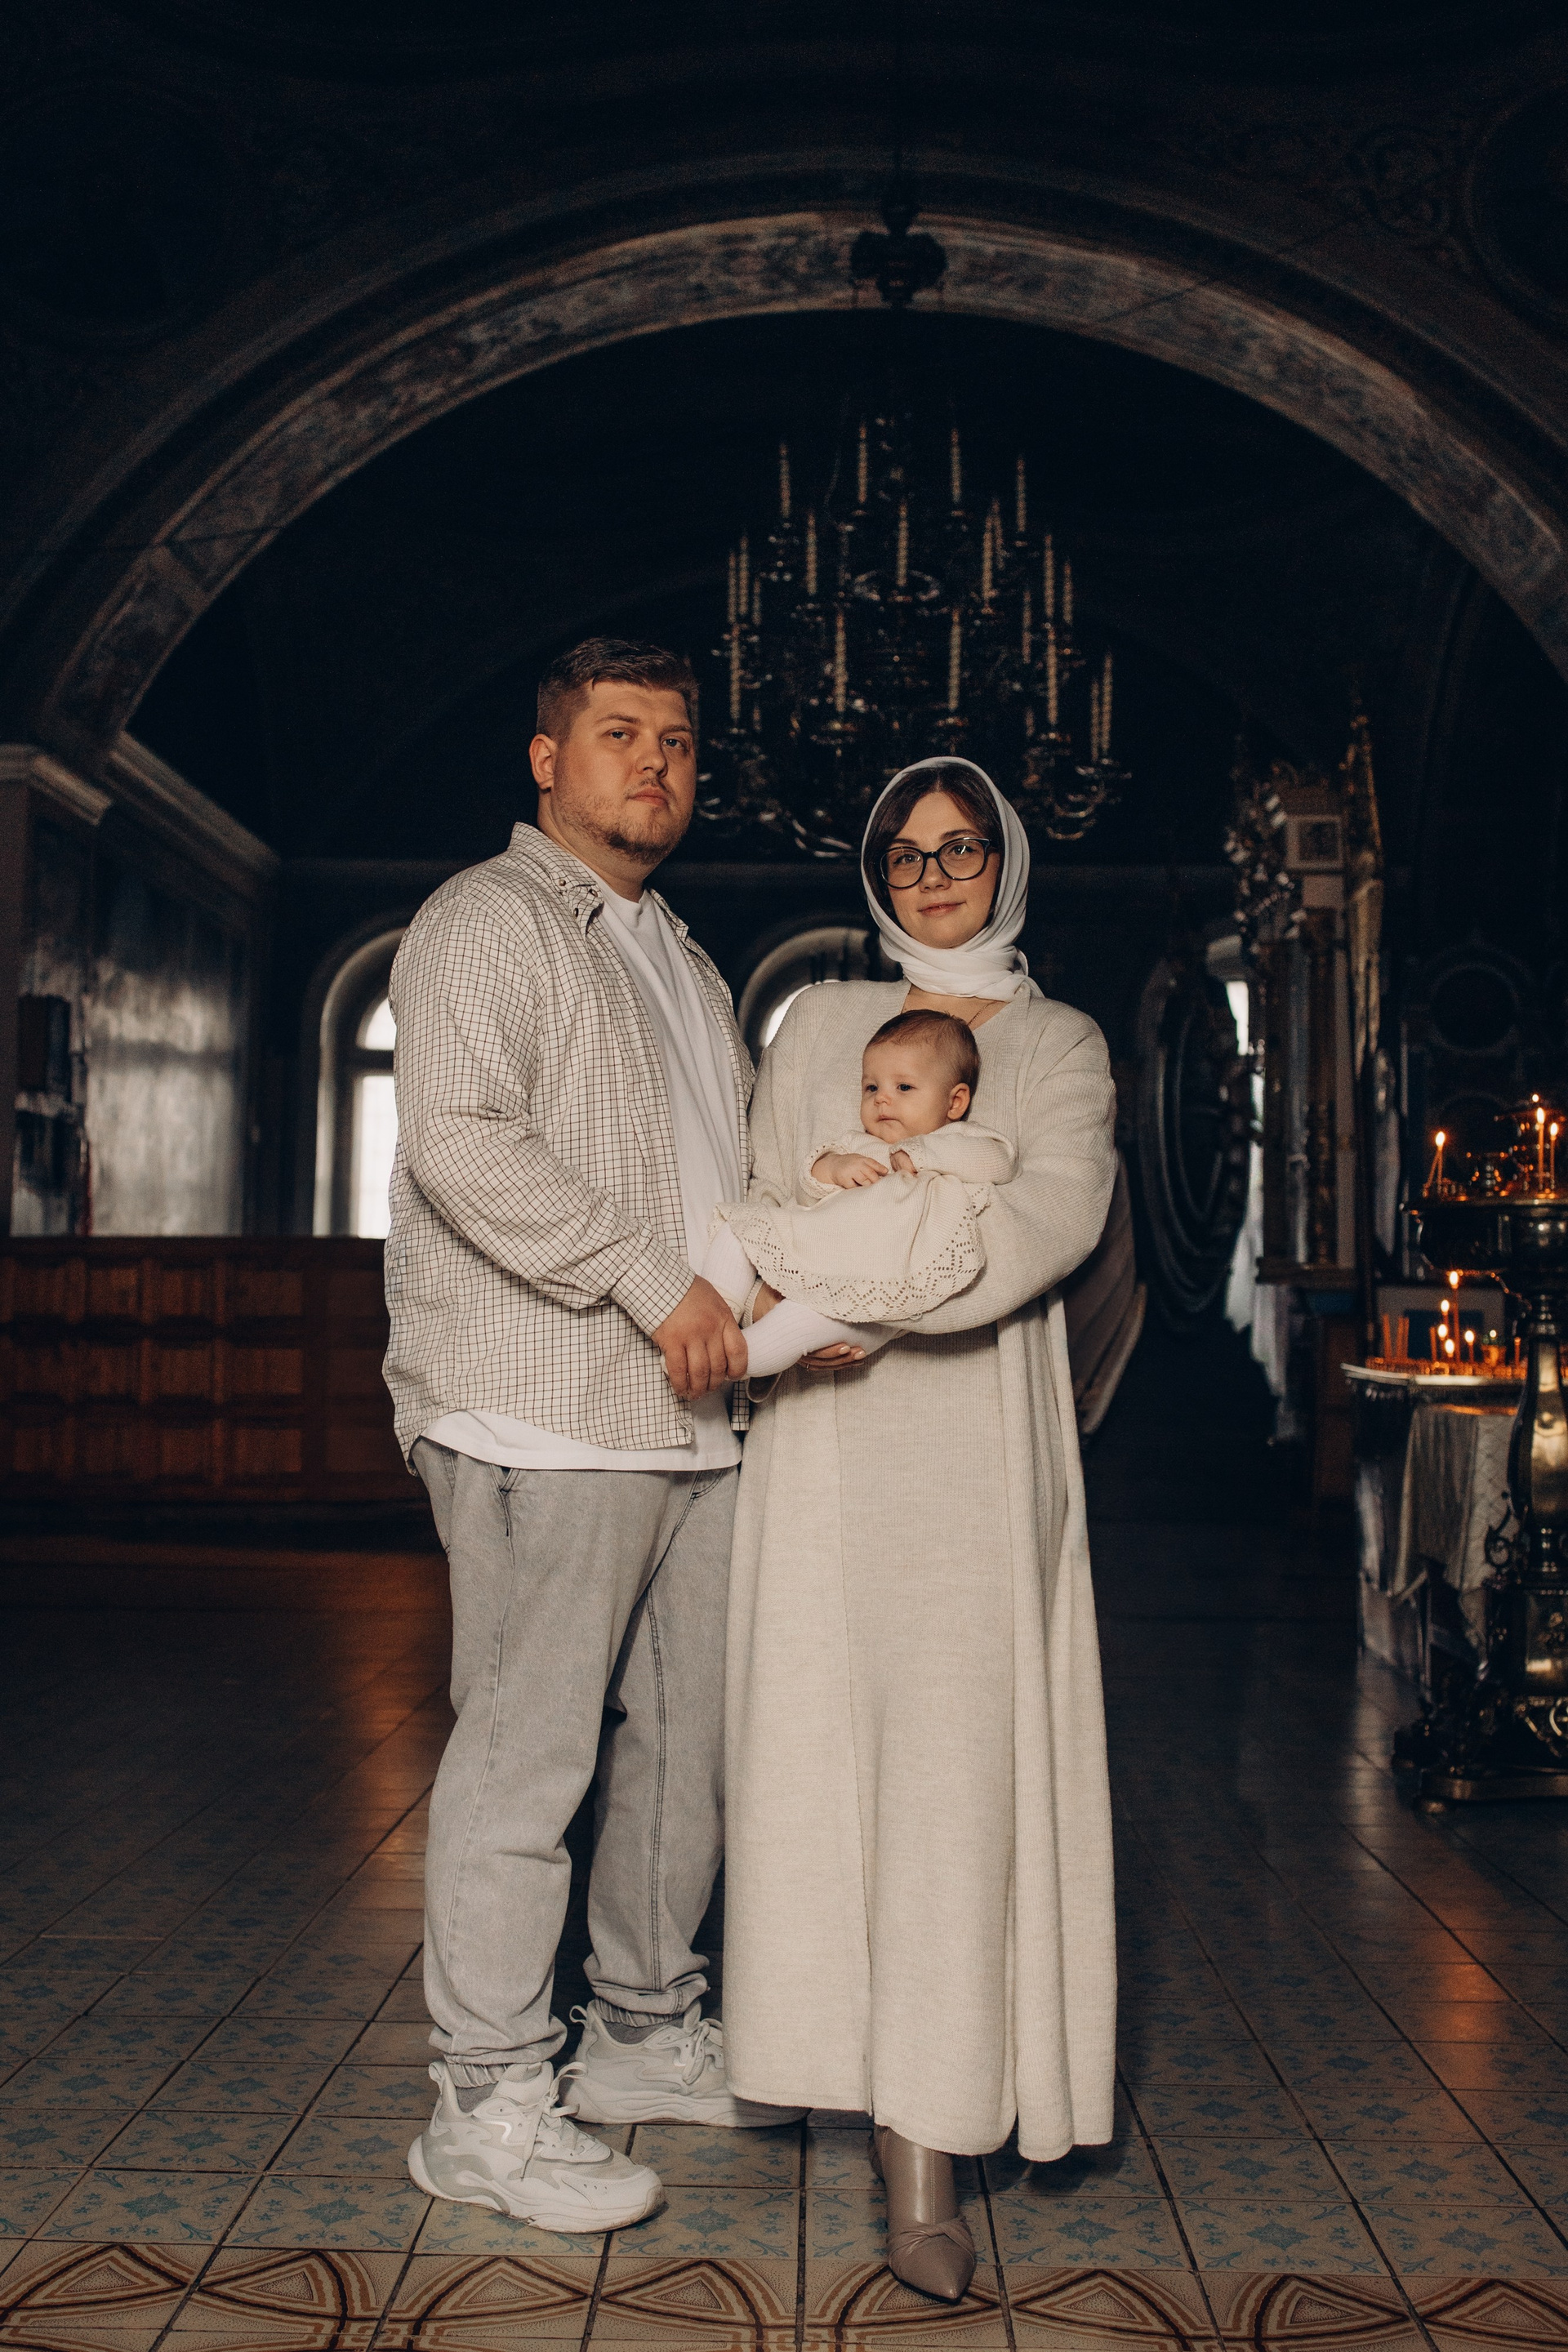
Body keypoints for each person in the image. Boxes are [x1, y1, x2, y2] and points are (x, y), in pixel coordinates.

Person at [382, 636, 801, 2237]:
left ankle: (638, 2028)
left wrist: (787, 1290)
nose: (657, 765)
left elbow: (723, 1181)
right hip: (541, 1404)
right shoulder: (485, 920)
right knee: (528, 1758)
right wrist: (653, 1283)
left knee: (690, 1748)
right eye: (621, 734)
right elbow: (461, 1145)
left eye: (679, 741)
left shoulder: (680, 955)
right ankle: (484, 2104)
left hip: (698, 1412)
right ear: (547, 760)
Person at [722, 755, 1119, 2302]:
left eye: (961, 849)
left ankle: (931, 2159)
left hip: (968, 1447)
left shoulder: (1063, 1041)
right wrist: (799, 1308)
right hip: (820, 1445)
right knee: (818, 1761)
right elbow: (769, 1194)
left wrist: (853, 1309)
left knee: (955, 1781)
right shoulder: (820, 1022)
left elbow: (1043, 1224)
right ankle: (831, 2065)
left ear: (1007, 861)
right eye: (905, 851)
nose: (933, 874)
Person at [701, 1009, 1017, 1378]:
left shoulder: (956, 1140)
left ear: (955, 1102)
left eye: (903, 1087)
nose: (882, 1099)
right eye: (872, 1088)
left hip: (883, 1282)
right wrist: (833, 1167)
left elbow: (1000, 1161)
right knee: (738, 1230)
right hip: (820, 1251)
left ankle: (718, 1363)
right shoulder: (857, 1144)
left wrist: (922, 1154)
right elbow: (804, 1195)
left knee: (798, 1323)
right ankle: (714, 1319)